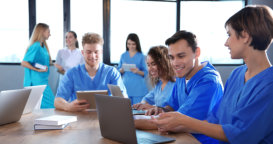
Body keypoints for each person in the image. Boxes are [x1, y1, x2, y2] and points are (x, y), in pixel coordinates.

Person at [151, 5, 273, 144]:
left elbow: (241, 135)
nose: (226, 43)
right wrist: (177, 125)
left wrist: (186, 121)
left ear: (245, 35)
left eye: (229, 35)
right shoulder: (236, 74)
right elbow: (215, 119)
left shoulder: (269, 85)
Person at [143, 30, 224, 144]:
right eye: (171, 57)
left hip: (201, 141)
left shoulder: (208, 82)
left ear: (197, 52)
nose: (175, 63)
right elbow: (172, 106)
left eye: (181, 56)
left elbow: (178, 120)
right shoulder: (182, 75)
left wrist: (128, 122)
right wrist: (161, 109)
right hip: (181, 137)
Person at [54, 32, 127, 112]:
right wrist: (68, 106)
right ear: (82, 53)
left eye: (96, 52)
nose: (92, 56)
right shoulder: (72, 73)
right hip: (78, 119)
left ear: (101, 52)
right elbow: (58, 100)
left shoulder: (112, 73)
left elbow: (123, 99)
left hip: (107, 118)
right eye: (88, 52)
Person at [21, 23, 55, 109]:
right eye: (48, 32)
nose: (50, 34)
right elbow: (24, 62)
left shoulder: (42, 46)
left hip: (43, 80)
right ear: (42, 32)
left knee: (44, 106)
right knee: (51, 104)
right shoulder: (36, 46)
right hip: (36, 82)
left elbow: (38, 62)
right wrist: (37, 70)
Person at [132, 46, 175, 110]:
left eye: (153, 64)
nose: (150, 69)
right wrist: (142, 105)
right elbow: (146, 99)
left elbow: (174, 109)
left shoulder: (175, 84)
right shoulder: (159, 85)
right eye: (148, 65)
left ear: (164, 63)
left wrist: (153, 108)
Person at [118, 33, 149, 104]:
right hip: (126, 86)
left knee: (138, 111)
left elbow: (146, 72)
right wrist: (121, 70)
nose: (130, 46)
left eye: (133, 44)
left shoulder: (141, 56)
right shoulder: (123, 55)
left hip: (138, 88)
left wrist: (137, 71)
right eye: (128, 44)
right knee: (126, 110)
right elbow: (118, 70)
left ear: (137, 44)